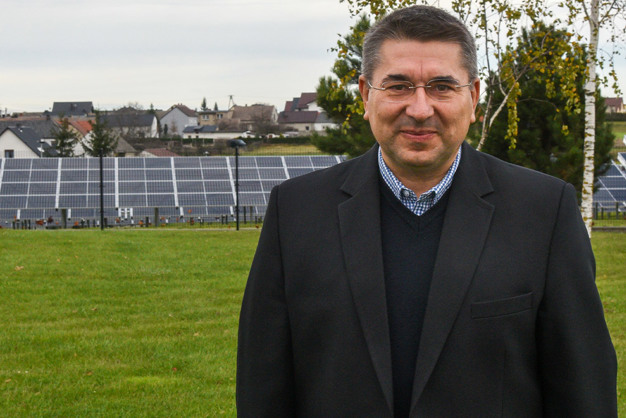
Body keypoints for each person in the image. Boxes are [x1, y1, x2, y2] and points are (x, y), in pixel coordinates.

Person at [237, 5, 617, 417]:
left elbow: (584, 390)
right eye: (398, 86)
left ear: (473, 97)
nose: (420, 109)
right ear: (365, 95)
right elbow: (263, 387)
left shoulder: (544, 212)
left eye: (441, 87)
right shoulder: (295, 213)